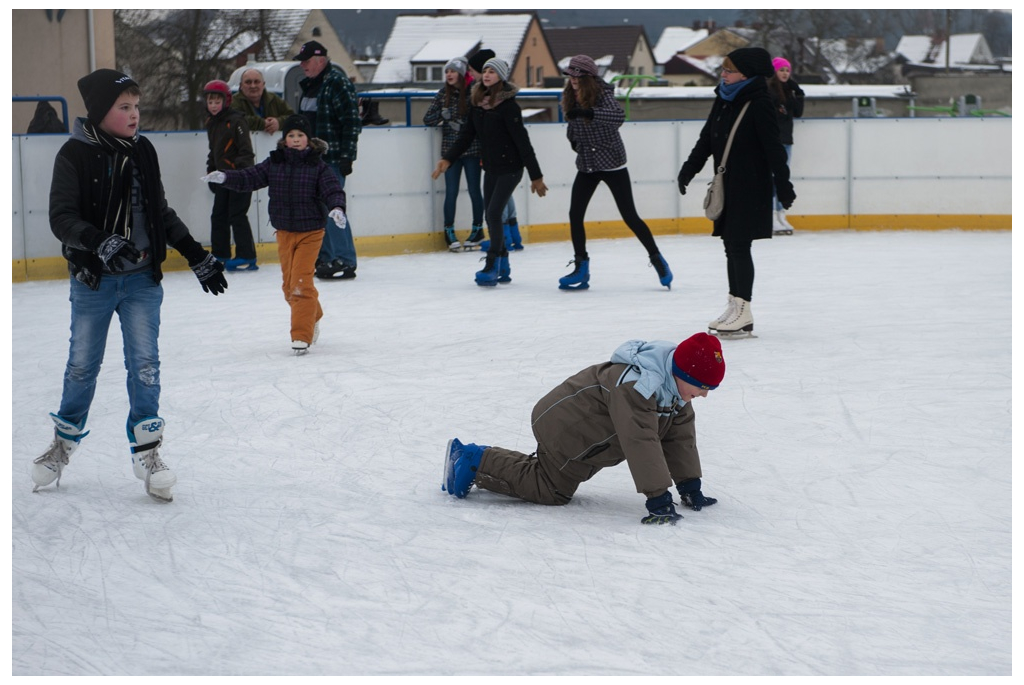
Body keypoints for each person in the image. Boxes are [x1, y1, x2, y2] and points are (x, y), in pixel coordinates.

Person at [32, 69, 228, 503]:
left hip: (141, 280)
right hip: (94, 282)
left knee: (145, 367)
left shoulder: (143, 152)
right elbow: (61, 218)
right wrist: (100, 242)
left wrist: (196, 254)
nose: (135, 114)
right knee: (82, 366)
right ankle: (62, 446)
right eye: (125, 107)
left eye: (137, 106)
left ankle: (148, 452)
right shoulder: (74, 154)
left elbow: (158, 210)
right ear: (101, 112)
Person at [442, 332, 726, 525]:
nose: (704, 395)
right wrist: (658, 497)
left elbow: (680, 439)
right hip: (568, 428)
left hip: (591, 438)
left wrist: (690, 485)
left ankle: (479, 457)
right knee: (550, 490)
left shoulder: (674, 391)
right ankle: (473, 460)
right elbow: (640, 440)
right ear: (682, 373)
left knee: (548, 479)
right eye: (702, 387)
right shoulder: (637, 386)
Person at [202, 115, 346, 356]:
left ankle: (301, 335)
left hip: (311, 232)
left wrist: (337, 208)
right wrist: (226, 176)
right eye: (291, 135)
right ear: (284, 139)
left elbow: (332, 189)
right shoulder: (275, 163)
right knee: (288, 287)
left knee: (300, 283)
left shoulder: (318, 166)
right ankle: (313, 314)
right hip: (284, 231)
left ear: (308, 139)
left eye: (301, 135)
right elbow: (250, 177)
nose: (296, 139)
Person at [676, 47, 795, 339]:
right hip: (728, 184)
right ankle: (735, 305)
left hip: (751, 186)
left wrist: (784, 185)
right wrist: (688, 169)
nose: (723, 74)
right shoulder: (724, 98)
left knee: (739, 246)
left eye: (729, 70)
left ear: (747, 73)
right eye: (724, 69)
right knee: (731, 246)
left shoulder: (759, 102)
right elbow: (707, 138)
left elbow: (774, 148)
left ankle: (744, 311)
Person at [558, 54, 673, 291]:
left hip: (611, 162)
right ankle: (581, 267)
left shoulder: (603, 93)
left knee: (629, 215)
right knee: (575, 214)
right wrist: (574, 142)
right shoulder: (570, 95)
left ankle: (657, 259)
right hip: (587, 163)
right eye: (571, 76)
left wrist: (590, 113)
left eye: (578, 76)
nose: (574, 80)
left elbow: (618, 116)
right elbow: (573, 126)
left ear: (589, 77)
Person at [431, 57, 547, 287]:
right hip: (491, 168)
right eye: (485, 70)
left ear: (501, 77)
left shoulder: (508, 107)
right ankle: (503, 264)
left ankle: (492, 263)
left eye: (492, 71)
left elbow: (523, 143)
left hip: (511, 169)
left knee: (493, 213)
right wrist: (448, 159)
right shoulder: (477, 105)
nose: (486, 74)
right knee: (490, 214)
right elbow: (466, 136)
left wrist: (536, 176)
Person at [294, 40, 361, 281]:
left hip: (331, 159)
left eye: (306, 61)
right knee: (318, 209)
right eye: (301, 61)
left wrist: (346, 157)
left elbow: (352, 122)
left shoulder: (337, 83)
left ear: (320, 60)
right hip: (311, 160)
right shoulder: (310, 86)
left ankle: (345, 258)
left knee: (333, 210)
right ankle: (327, 256)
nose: (303, 65)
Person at [422, 56, 484, 251]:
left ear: (462, 73)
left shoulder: (474, 92)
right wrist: (443, 114)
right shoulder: (443, 95)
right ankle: (449, 231)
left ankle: (477, 229)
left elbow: (481, 118)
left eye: (453, 71)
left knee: (475, 191)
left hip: (472, 149)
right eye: (447, 71)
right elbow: (428, 119)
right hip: (450, 152)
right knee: (451, 192)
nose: (449, 74)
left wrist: (463, 124)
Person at [203, 79, 258, 271]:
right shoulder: (212, 123)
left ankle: (247, 255)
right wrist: (211, 172)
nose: (213, 106)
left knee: (237, 215)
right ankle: (220, 254)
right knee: (218, 215)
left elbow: (246, 151)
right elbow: (214, 152)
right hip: (223, 179)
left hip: (240, 178)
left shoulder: (236, 121)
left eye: (217, 102)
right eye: (210, 102)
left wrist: (241, 174)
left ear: (226, 101)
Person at [769, 57, 804, 236]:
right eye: (781, 70)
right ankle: (771, 215)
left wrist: (798, 91)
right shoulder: (769, 91)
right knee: (773, 179)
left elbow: (798, 112)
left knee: (782, 179)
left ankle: (781, 214)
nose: (784, 73)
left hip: (786, 141)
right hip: (772, 141)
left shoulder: (789, 91)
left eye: (787, 70)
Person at [231, 67, 294, 135]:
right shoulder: (233, 101)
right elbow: (236, 120)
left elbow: (292, 117)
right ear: (241, 86)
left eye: (256, 82)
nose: (253, 86)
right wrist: (263, 124)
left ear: (263, 84)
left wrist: (279, 122)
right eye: (248, 82)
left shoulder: (273, 98)